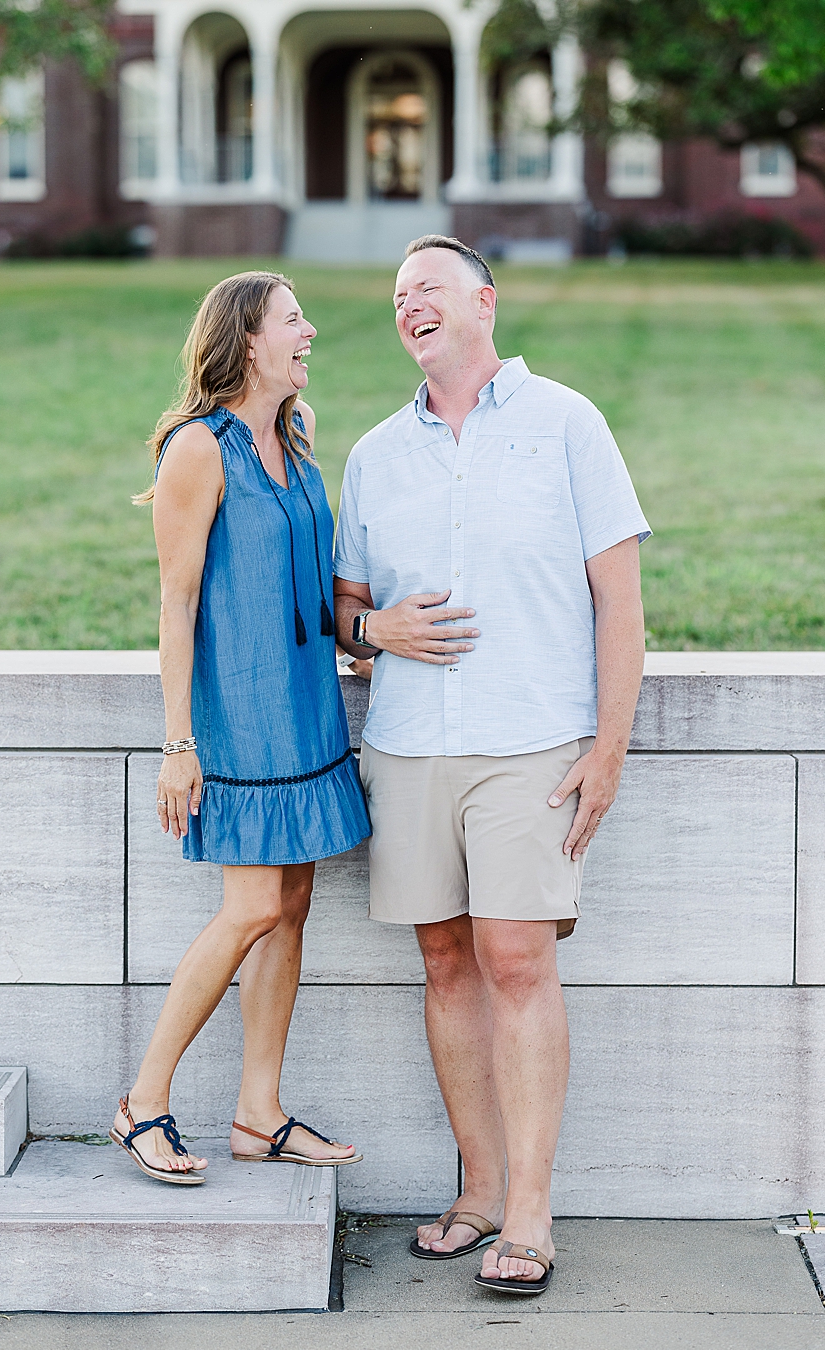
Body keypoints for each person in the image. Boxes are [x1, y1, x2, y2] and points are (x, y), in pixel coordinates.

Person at [334, 235, 650, 1292]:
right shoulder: (376, 452)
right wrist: (378, 628)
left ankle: (529, 1211)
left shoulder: (567, 422)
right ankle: (475, 1191)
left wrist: (607, 749)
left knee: (518, 960)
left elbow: (621, 599)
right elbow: (342, 606)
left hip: (531, 746)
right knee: (445, 965)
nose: (408, 306)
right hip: (411, 747)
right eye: (396, 297)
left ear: (485, 300)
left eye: (427, 288)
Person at [110, 271, 370, 1184]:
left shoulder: (295, 445)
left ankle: (259, 1111)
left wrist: (372, 640)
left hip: (307, 708)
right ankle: (143, 1100)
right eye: (293, 321)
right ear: (247, 340)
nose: (310, 333)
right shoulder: (197, 449)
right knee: (253, 905)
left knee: (291, 907)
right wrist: (178, 745)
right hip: (239, 716)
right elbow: (176, 605)